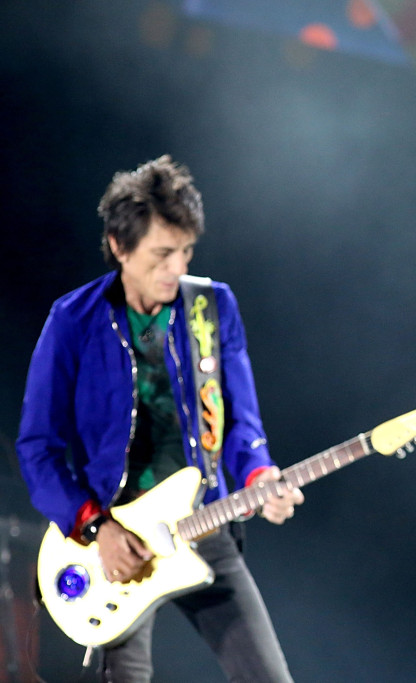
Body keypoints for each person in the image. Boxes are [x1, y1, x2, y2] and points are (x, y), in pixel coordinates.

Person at [16, 155, 304, 682]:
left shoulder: (212, 307)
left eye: (187, 251)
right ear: (119, 248)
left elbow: (242, 424)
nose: (177, 267)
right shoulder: (73, 320)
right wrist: (95, 527)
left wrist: (262, 477)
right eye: (162, 254)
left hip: (203, 525)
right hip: (115, 539)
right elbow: (38, 447)